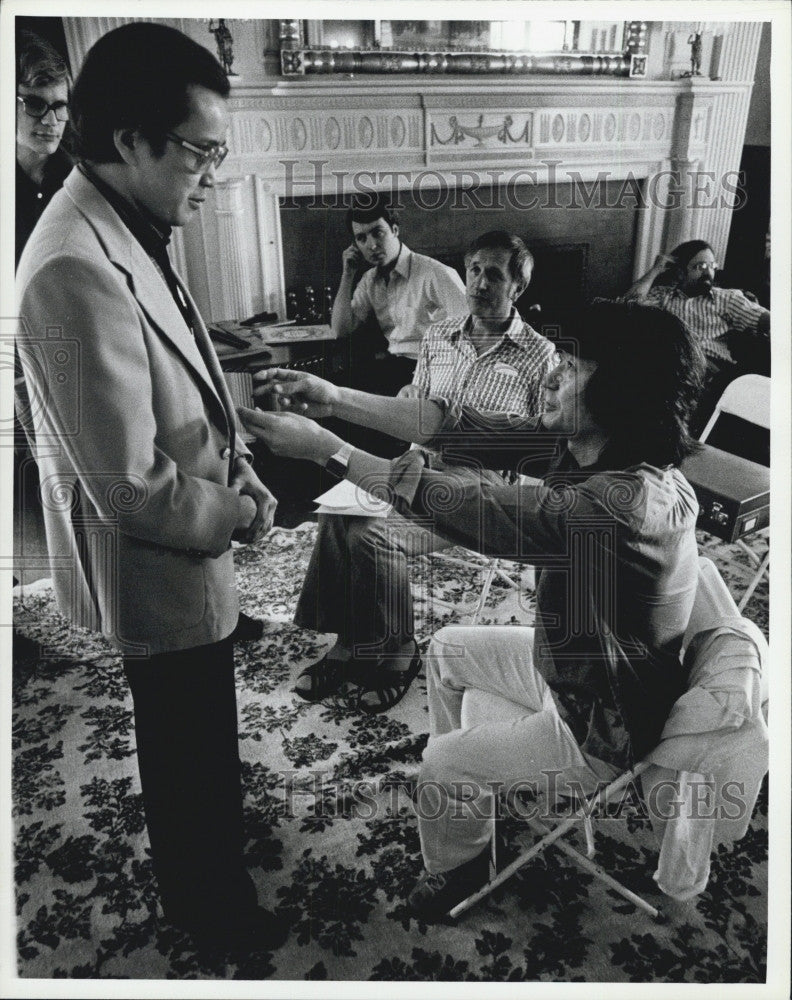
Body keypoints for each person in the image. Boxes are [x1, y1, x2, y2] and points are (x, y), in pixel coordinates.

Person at [238, 300, 705, 919]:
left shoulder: (618, 504)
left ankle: (459, 869)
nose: (551, 374)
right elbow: (456, 425)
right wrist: (334, 398)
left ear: (621, 389)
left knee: (441, 760)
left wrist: (329, 448)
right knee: (448, 649)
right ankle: (468, 800)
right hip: (572, 671)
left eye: (569, 366)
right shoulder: (605, 450)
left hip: (602, 721)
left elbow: (473, 510)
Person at [16, 22, 283, 952]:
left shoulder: (123, 214)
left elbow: (185, 374)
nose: (212, 174)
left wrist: (239, 457)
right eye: (201, 152)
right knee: (184, 744)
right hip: (156, 559)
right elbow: (123, 486)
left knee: (202, 730)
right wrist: (238, 511)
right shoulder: (67, 266)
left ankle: (212, 861)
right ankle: (211, 911)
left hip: (189, 534)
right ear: (132, 141)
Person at [290, 230, 555, 712]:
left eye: (494, 274)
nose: (478, 283)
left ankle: (399, 650)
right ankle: (352, 643)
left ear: (518, 286)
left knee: (372, 535)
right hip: (417, 461)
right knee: (338, 515)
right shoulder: (438, 335)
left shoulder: (540, 356)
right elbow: (417, 406)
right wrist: (407, 408)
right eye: (474, 270)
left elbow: (543, 448)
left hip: (480, 484)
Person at [622, 239, 769, 430]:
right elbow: (626, 308)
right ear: (681, 272)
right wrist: (656, 269)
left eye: (712, 266)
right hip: (668, 362)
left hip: (708, 368)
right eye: (700, 266)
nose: (709, 272)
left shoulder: (726, 298)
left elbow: (768, 320)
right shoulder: (662, 295)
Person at [331, 193, 467, 397]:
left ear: (395, 230)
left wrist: (436, 375)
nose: (372, 245)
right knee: (336, 392)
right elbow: (341, 330)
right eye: (361, 238)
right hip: (394, 368)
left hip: (432, 370)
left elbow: (473, 327)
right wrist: (347, 274)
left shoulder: (434, 272)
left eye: (378, 233)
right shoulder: (370, 280)